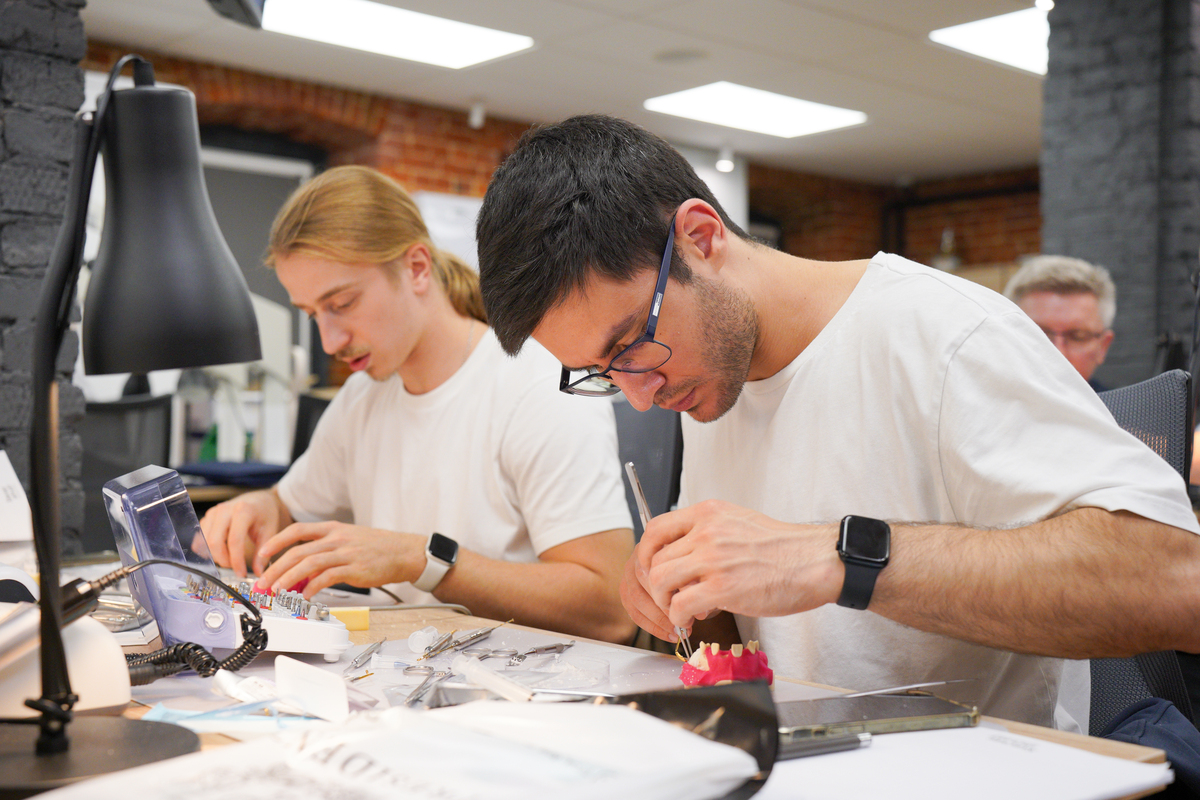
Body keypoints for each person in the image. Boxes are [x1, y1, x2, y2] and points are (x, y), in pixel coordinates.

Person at [473, 114, 1200, 726]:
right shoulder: (705, 373)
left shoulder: (945, 337)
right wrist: (692, 600)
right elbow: (780, 634)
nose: (639, 396)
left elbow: (1176, 586)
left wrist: (841, 557)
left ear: (700, 236)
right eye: (604, 372)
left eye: (632, 342)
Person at [199, 165, 635, 644]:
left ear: (417, 268)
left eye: (341, 303)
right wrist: (259, 506)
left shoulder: (538, 386)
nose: (329, 341)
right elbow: (289, 506)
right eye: (312, 314)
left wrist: (422, 560)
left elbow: (609, 610)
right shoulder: (362, 398)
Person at [1004, 255, 1116, 391]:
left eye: (1077, 336)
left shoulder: (1119, 405)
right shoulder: (981, 402)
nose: (1058, 353)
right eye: (1038, 335)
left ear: (1103, 346)